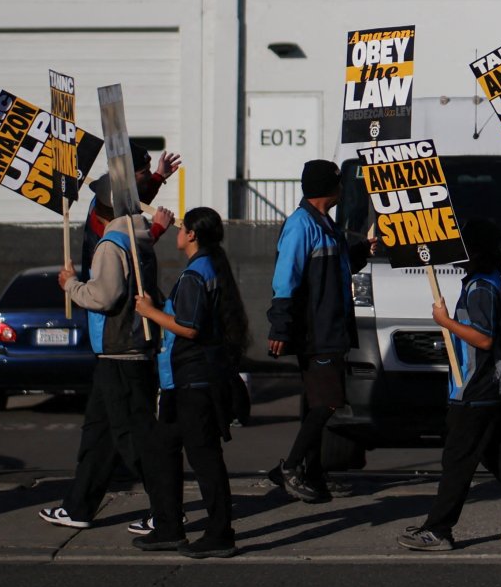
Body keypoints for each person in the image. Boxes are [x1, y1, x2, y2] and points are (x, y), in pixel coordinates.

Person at [406, 234, 501, 550]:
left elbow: (484, 339)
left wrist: (445, 322)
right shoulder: (483, 282)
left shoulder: (482, 288)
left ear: (475, 253)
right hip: (484, 387)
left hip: (478, 389)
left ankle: (439, 530)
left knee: (458, 461)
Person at [38, 171, 165, 529]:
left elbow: (105, 296)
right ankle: (79, 507)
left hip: (121, 352)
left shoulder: (112, 243)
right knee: (100, 435)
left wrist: (71, 285)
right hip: (123, 351)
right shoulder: (138, 238)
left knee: (132, 438)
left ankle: (166, 509)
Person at [130, 204, 247, 557]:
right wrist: (160, 306)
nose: (178, 232)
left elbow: (191, 328)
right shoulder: (208, 268)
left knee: (204, 458)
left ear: (192, 235)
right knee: (164, 449)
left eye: (182, 227)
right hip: (182, 380)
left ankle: (219, 532)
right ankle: (168, 526)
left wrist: (150, 313)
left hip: (193, 381)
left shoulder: (197, 273)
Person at [265, 157, 356, 503]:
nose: (343, 188)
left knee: (318, 402)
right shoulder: (301, 225)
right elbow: (284, 280)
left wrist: (362, 250)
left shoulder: (326, 224)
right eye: (339, 182)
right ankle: (290, 468)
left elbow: (339, 268)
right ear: (327, 187)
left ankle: (314, 472)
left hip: (332, 328)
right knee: (328, 403)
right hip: (317, 332)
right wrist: (281, 326)